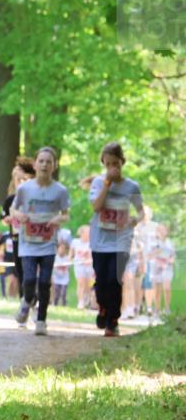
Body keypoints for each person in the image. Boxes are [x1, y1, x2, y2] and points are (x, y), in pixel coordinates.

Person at [10, 146, 70, 335]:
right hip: (28, 241)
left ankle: (41, 320)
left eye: (48, 162)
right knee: (28, 279)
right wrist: (19, 215)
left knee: (44, 282)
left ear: (54, 166)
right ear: (35, 164)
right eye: (41, 161)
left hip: (48, 242)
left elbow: (66, 215)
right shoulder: (24, 189)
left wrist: (57, 219)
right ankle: (27, 301)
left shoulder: (60, 190)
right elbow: (13, 209)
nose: (44, 165)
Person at [88, 142, 144, 336]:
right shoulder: (97, 182)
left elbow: (141, 211)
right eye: (108, 164)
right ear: (104, 163)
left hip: (122, 239)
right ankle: (103, 307)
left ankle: (113, 320)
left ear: (122, 162)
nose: (112, 168)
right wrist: (107, 184)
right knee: (102, 280)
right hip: (100, 240)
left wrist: (136, 219)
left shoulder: (131, 186)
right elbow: (96, 207)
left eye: (116, 164)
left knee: (115, 279)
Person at [1, 157, 36, 299]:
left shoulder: (34, 197)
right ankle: (25, 300)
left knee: (31, 271)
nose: (20, 182)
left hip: (33, 238)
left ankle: (34, 297)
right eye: (17, 179)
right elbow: (3, 219)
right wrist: (8, 220)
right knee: (20, 270)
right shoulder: (10, 200)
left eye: (23, 179)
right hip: (16, 238)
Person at [149, 224, 176, 317]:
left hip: (167, 267)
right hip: (156, 268)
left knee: (167, 288)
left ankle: (167, 309)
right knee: (157, 291)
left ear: (166, 232)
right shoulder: (153, 242)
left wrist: (171, 260)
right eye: (159, 230)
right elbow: (149, 255)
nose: (161, 232)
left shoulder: (170, 242)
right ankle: (157, 309)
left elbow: (173, 255)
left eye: (163, 230)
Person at [70, 225, 94, 309]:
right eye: (87, 232)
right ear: (82, 233)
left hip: (89, 266)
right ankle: (80, 301)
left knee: (88, 285)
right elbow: (71, 253)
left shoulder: (92, 242)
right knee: (80, 283)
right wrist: (70, 260)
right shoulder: (75, 242)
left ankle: (87, 298)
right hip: (79, 265)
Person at [52, 241, 72, 307]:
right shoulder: (55, 257)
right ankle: (55, 304)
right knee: (56, 293)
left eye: (63, 248)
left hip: (64, 278)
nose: (62, 250)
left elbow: (69, 267)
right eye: (60, 248)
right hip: (56, 278)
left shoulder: (67, 258)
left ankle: (64, 305)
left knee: (63, 293)